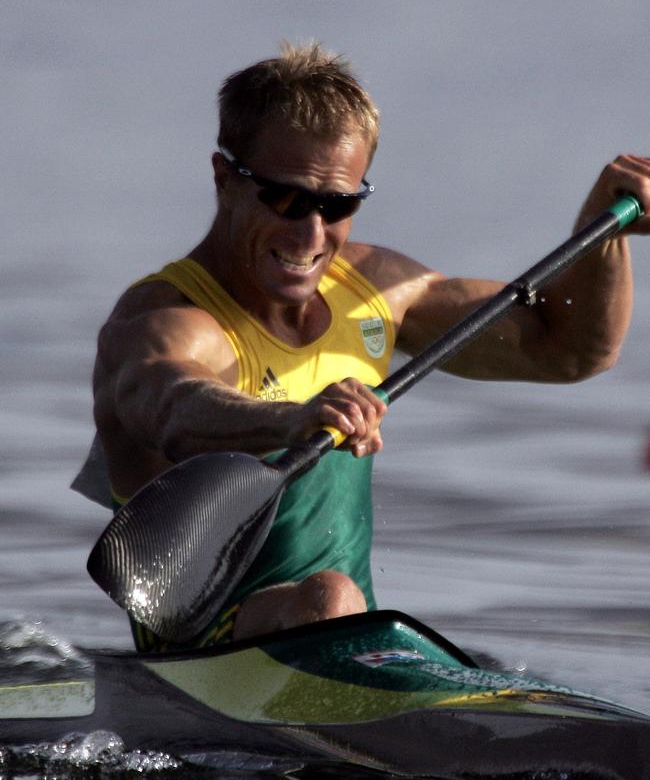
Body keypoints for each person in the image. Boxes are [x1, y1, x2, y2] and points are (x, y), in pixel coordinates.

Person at [85, 42, 650, 651]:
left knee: (337, 602)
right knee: (331, 596)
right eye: (288, 198)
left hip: (345, 633)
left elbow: (570, 351)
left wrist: (603, 228)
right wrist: (294, 417)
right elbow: (171, 409)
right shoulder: (164, 320)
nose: (312, 233)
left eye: (338, 204)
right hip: (202, 654)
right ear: (225, 178)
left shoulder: (377, 289)